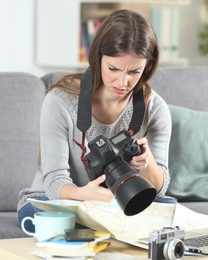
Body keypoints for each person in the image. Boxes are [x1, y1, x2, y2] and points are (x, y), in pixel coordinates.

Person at [17, 9, 172, 231]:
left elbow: (159, 188)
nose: (123, 82)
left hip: (118, 203)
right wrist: (83, 195)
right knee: (52, 221)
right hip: (61, 201)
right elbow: (53, 181)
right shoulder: (60, 102)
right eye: (113, 69)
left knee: (169, 210)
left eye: (134, 72)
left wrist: (147, 164)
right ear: (98, 58)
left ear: (147, 67)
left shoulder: (155, 109)